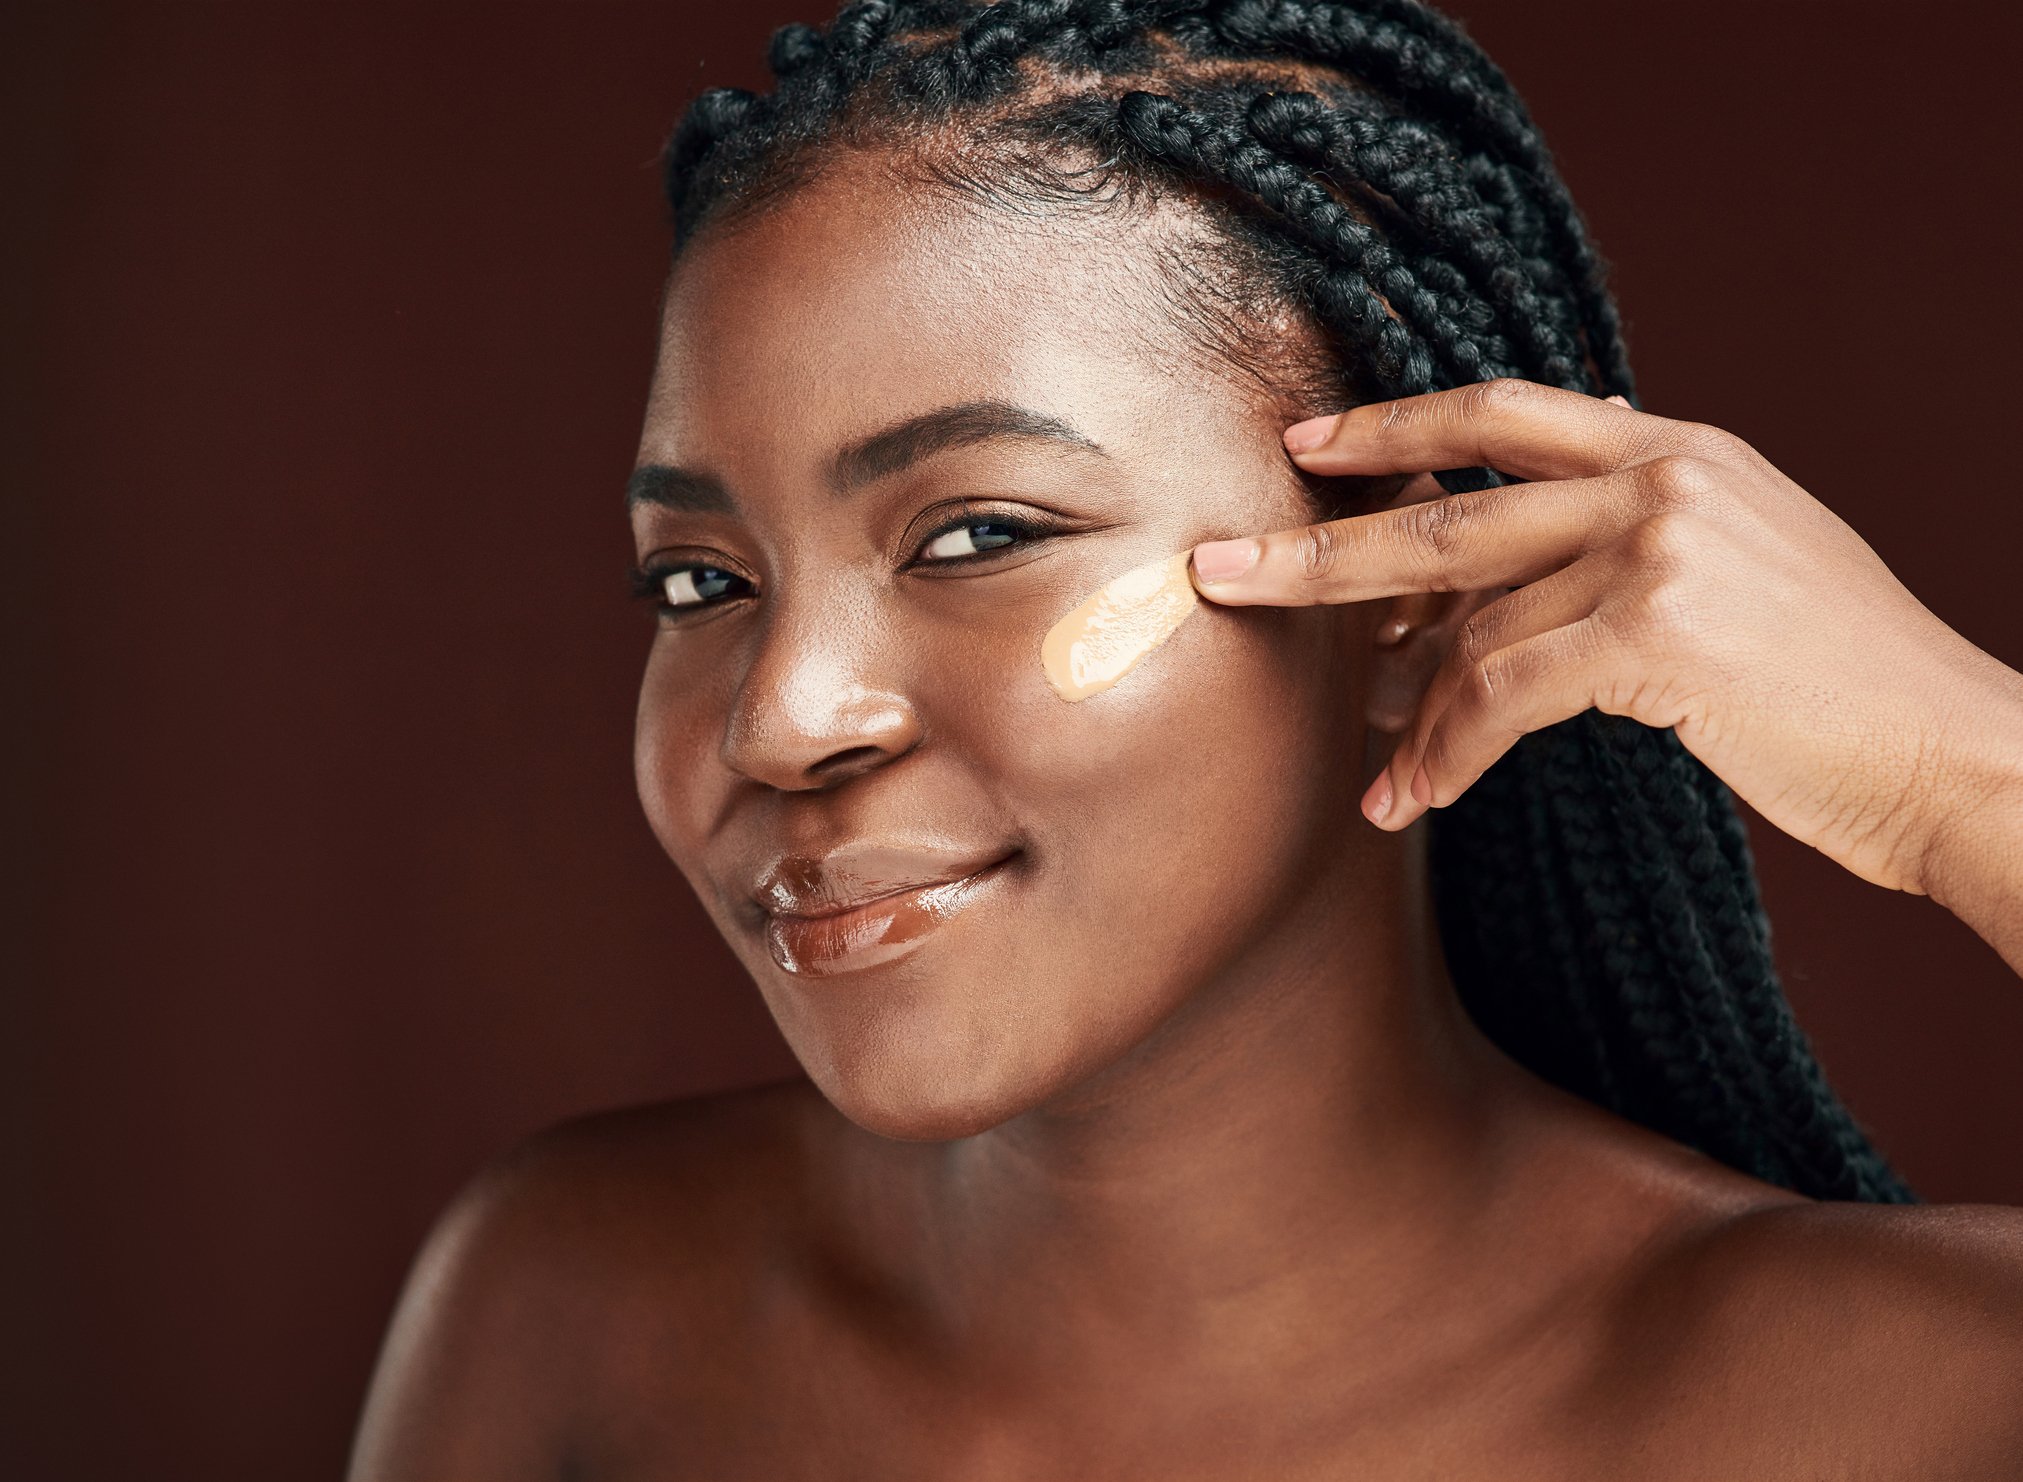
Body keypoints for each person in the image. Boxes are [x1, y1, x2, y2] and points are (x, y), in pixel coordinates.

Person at [347, 2, 2023, 1475]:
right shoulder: (577, 1311)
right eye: (701, 577)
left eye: (978, 535)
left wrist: (1975, 773)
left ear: (1410, 593)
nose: (782, 715)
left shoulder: (1911, 1398)